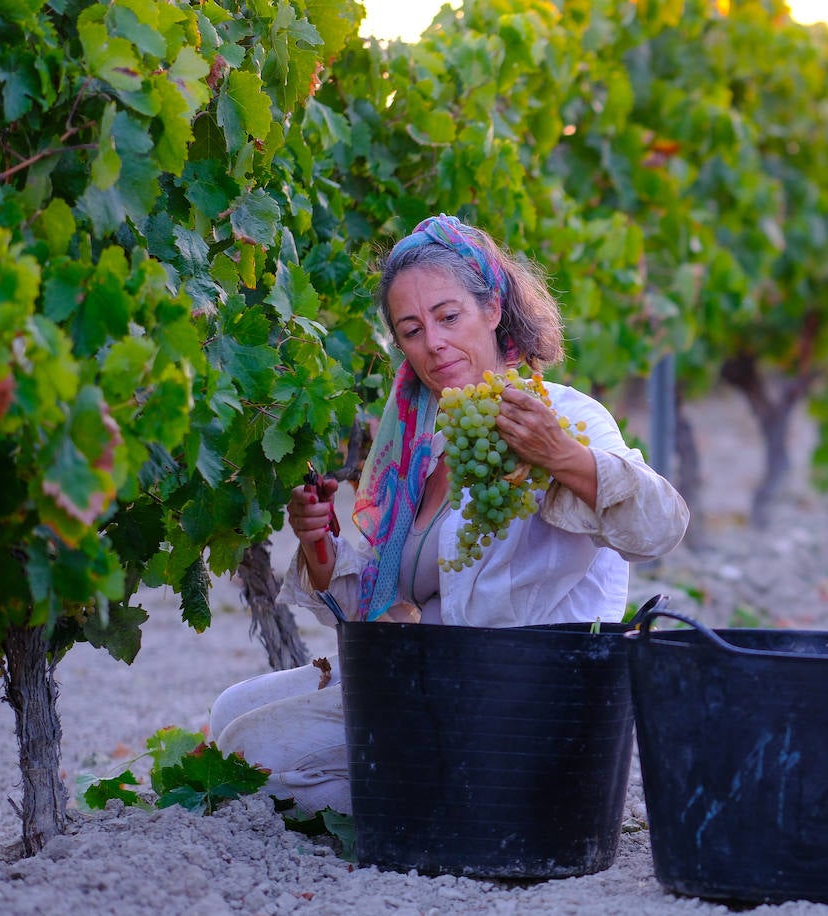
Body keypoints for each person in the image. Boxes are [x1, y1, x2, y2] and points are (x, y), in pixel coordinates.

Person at [208, 215, 690, 814]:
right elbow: (394, 609)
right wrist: (320, 551)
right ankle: (436, 790)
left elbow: (660, 529)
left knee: (257, 753)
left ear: (493, 309)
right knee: (228, 715)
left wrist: (560, 456)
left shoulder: (561, 414)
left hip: (520, 695)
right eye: (411, 329)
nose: (432, 342)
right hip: (429, 678)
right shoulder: (415, 443)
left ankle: (461, 803)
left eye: (448, 316)